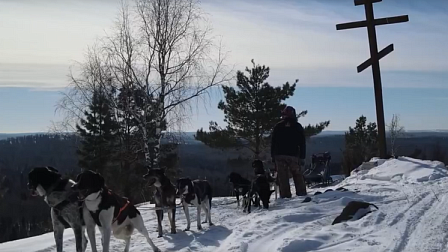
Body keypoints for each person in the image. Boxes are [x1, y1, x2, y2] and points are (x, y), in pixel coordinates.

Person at [270, 105, 307, 198]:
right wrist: (302, 156)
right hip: (293, 155)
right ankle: (301, 193)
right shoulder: (297, 126)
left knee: (282, 177)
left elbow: (273, 142)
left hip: (279, 155)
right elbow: (302, 142)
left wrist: (273, 156)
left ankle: (285, 195)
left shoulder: (278, 126)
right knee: (297, 175)